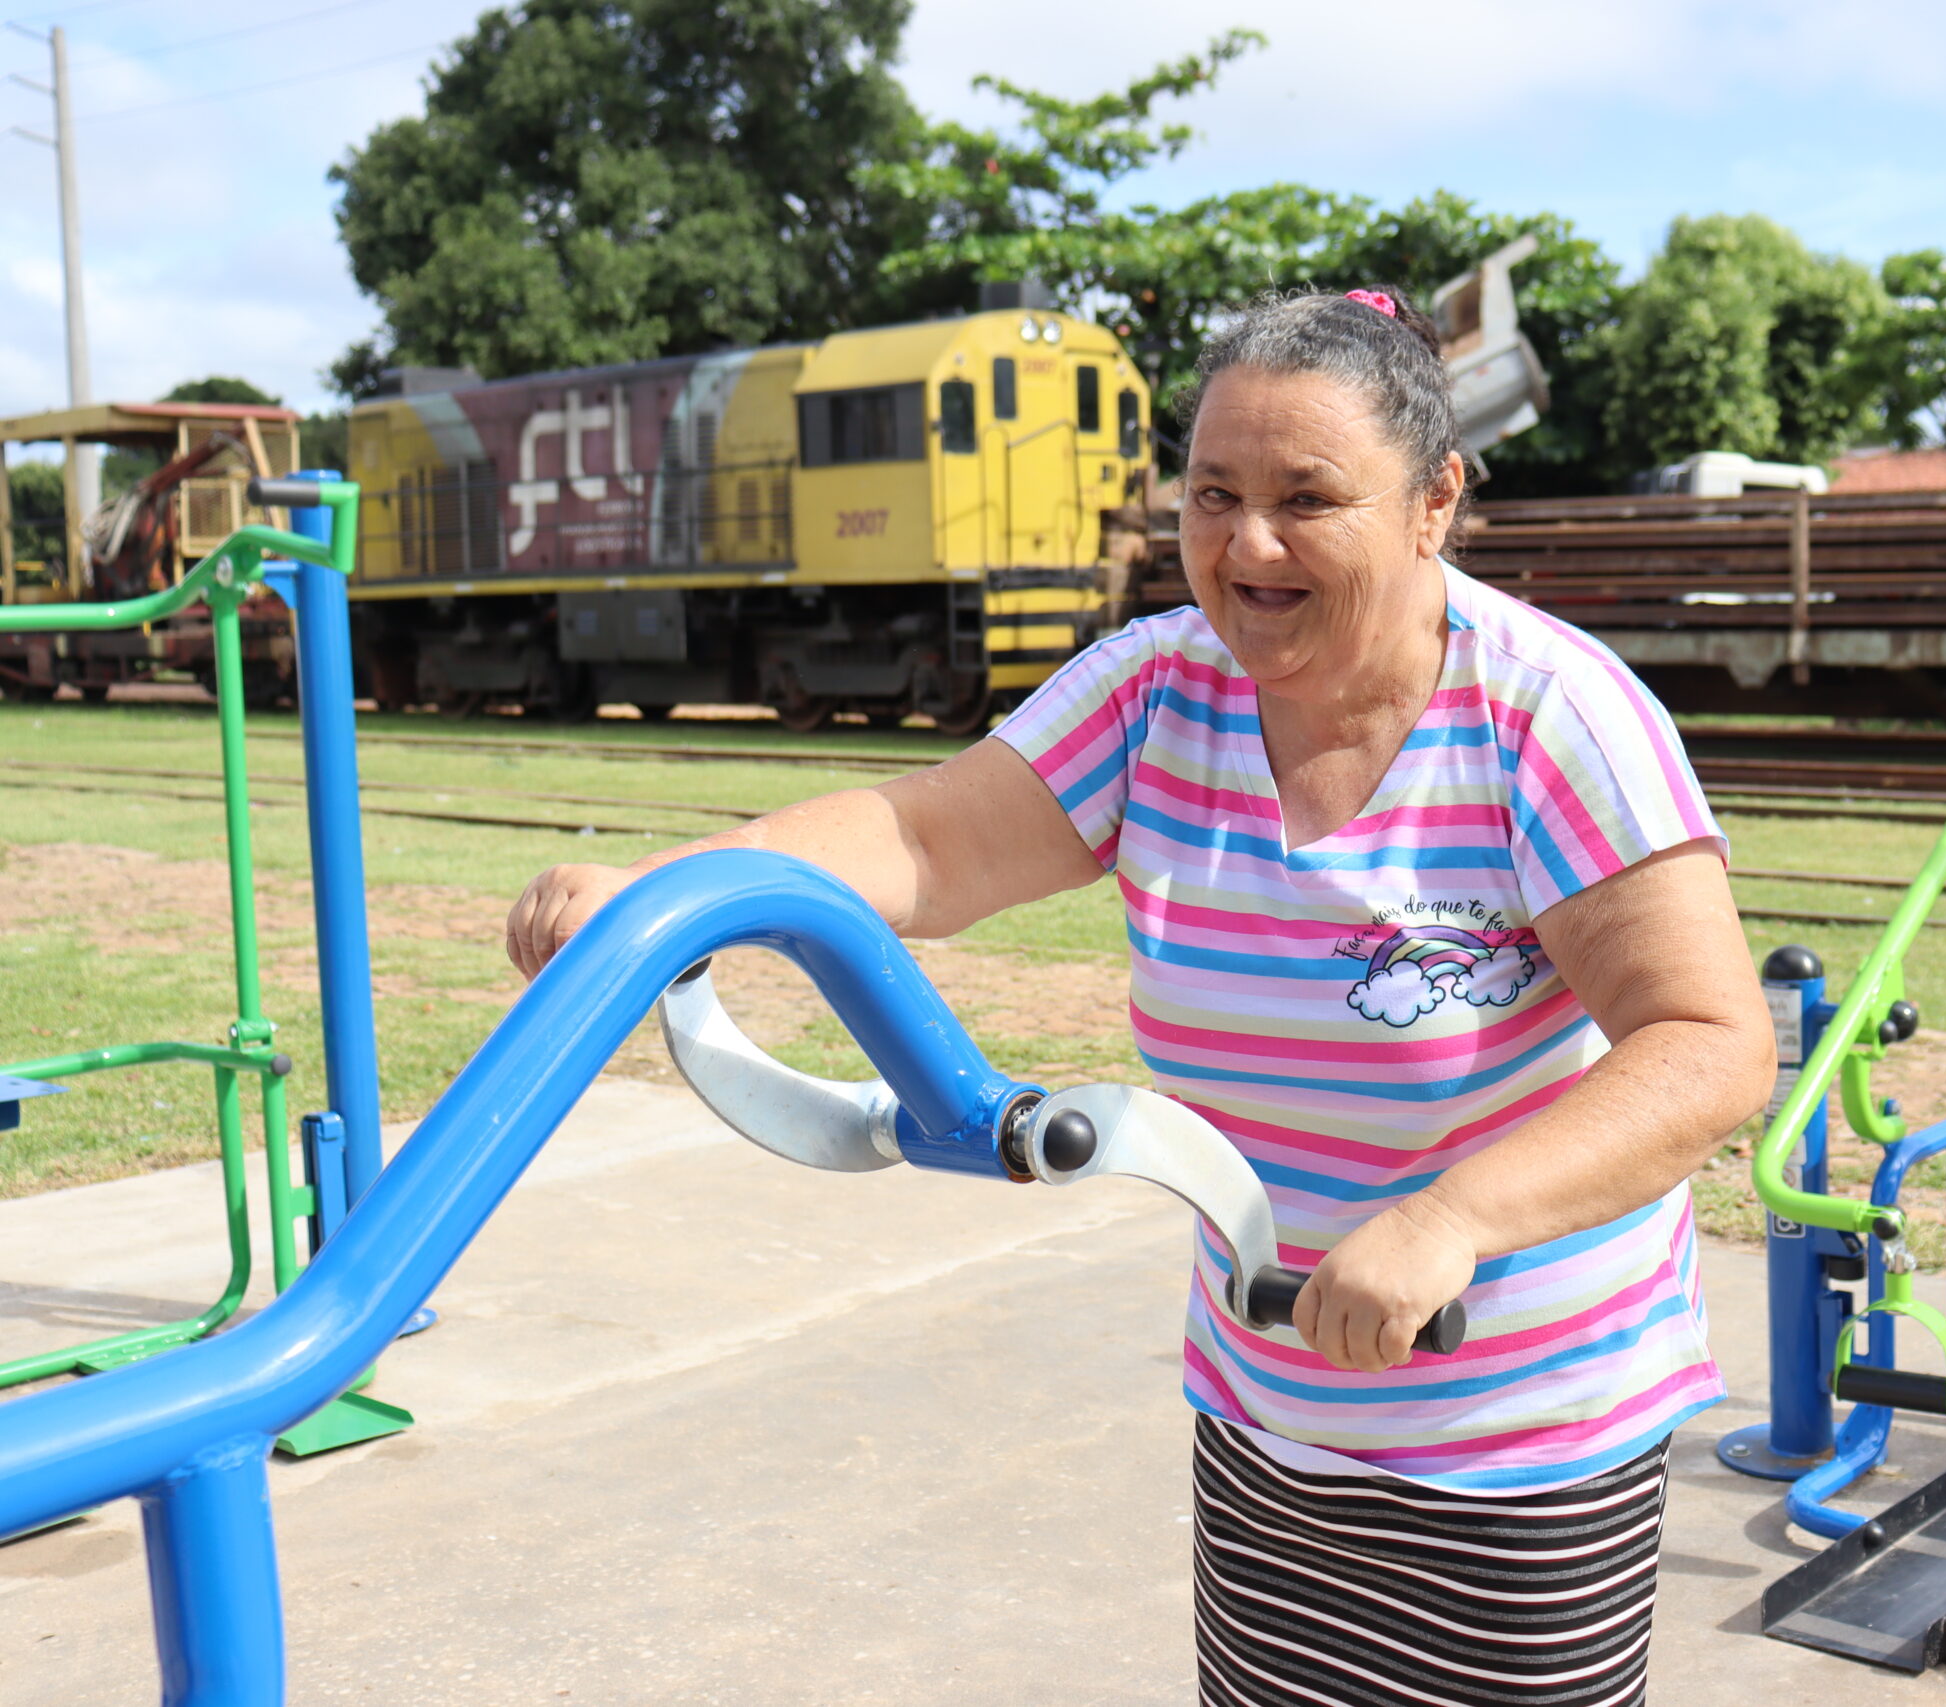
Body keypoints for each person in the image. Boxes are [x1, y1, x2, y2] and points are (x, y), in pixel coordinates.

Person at [507, 284, 1776, 1705]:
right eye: (1213, 494)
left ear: (1434, 502)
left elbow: (1709, 1042)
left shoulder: (1549, 712)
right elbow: (926, 838)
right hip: (1269, 1388)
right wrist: (678, 888)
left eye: (1309, 497)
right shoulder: (1161, 691)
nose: (1249, 545)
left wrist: (1450, 1220)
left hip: (1521, 1427)